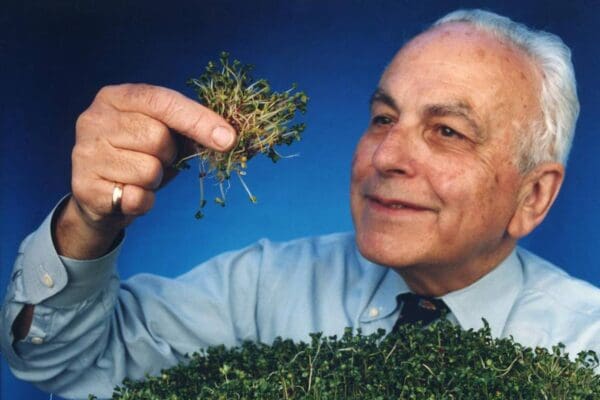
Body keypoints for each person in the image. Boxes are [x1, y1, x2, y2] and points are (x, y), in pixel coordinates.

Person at [2, 8, 600, 399]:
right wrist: (89, 222)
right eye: (383, 117)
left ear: (533, 195)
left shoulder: (582, 352)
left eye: (447, 131)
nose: (386, 154)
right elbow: (64, 366)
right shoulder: (266, 289)